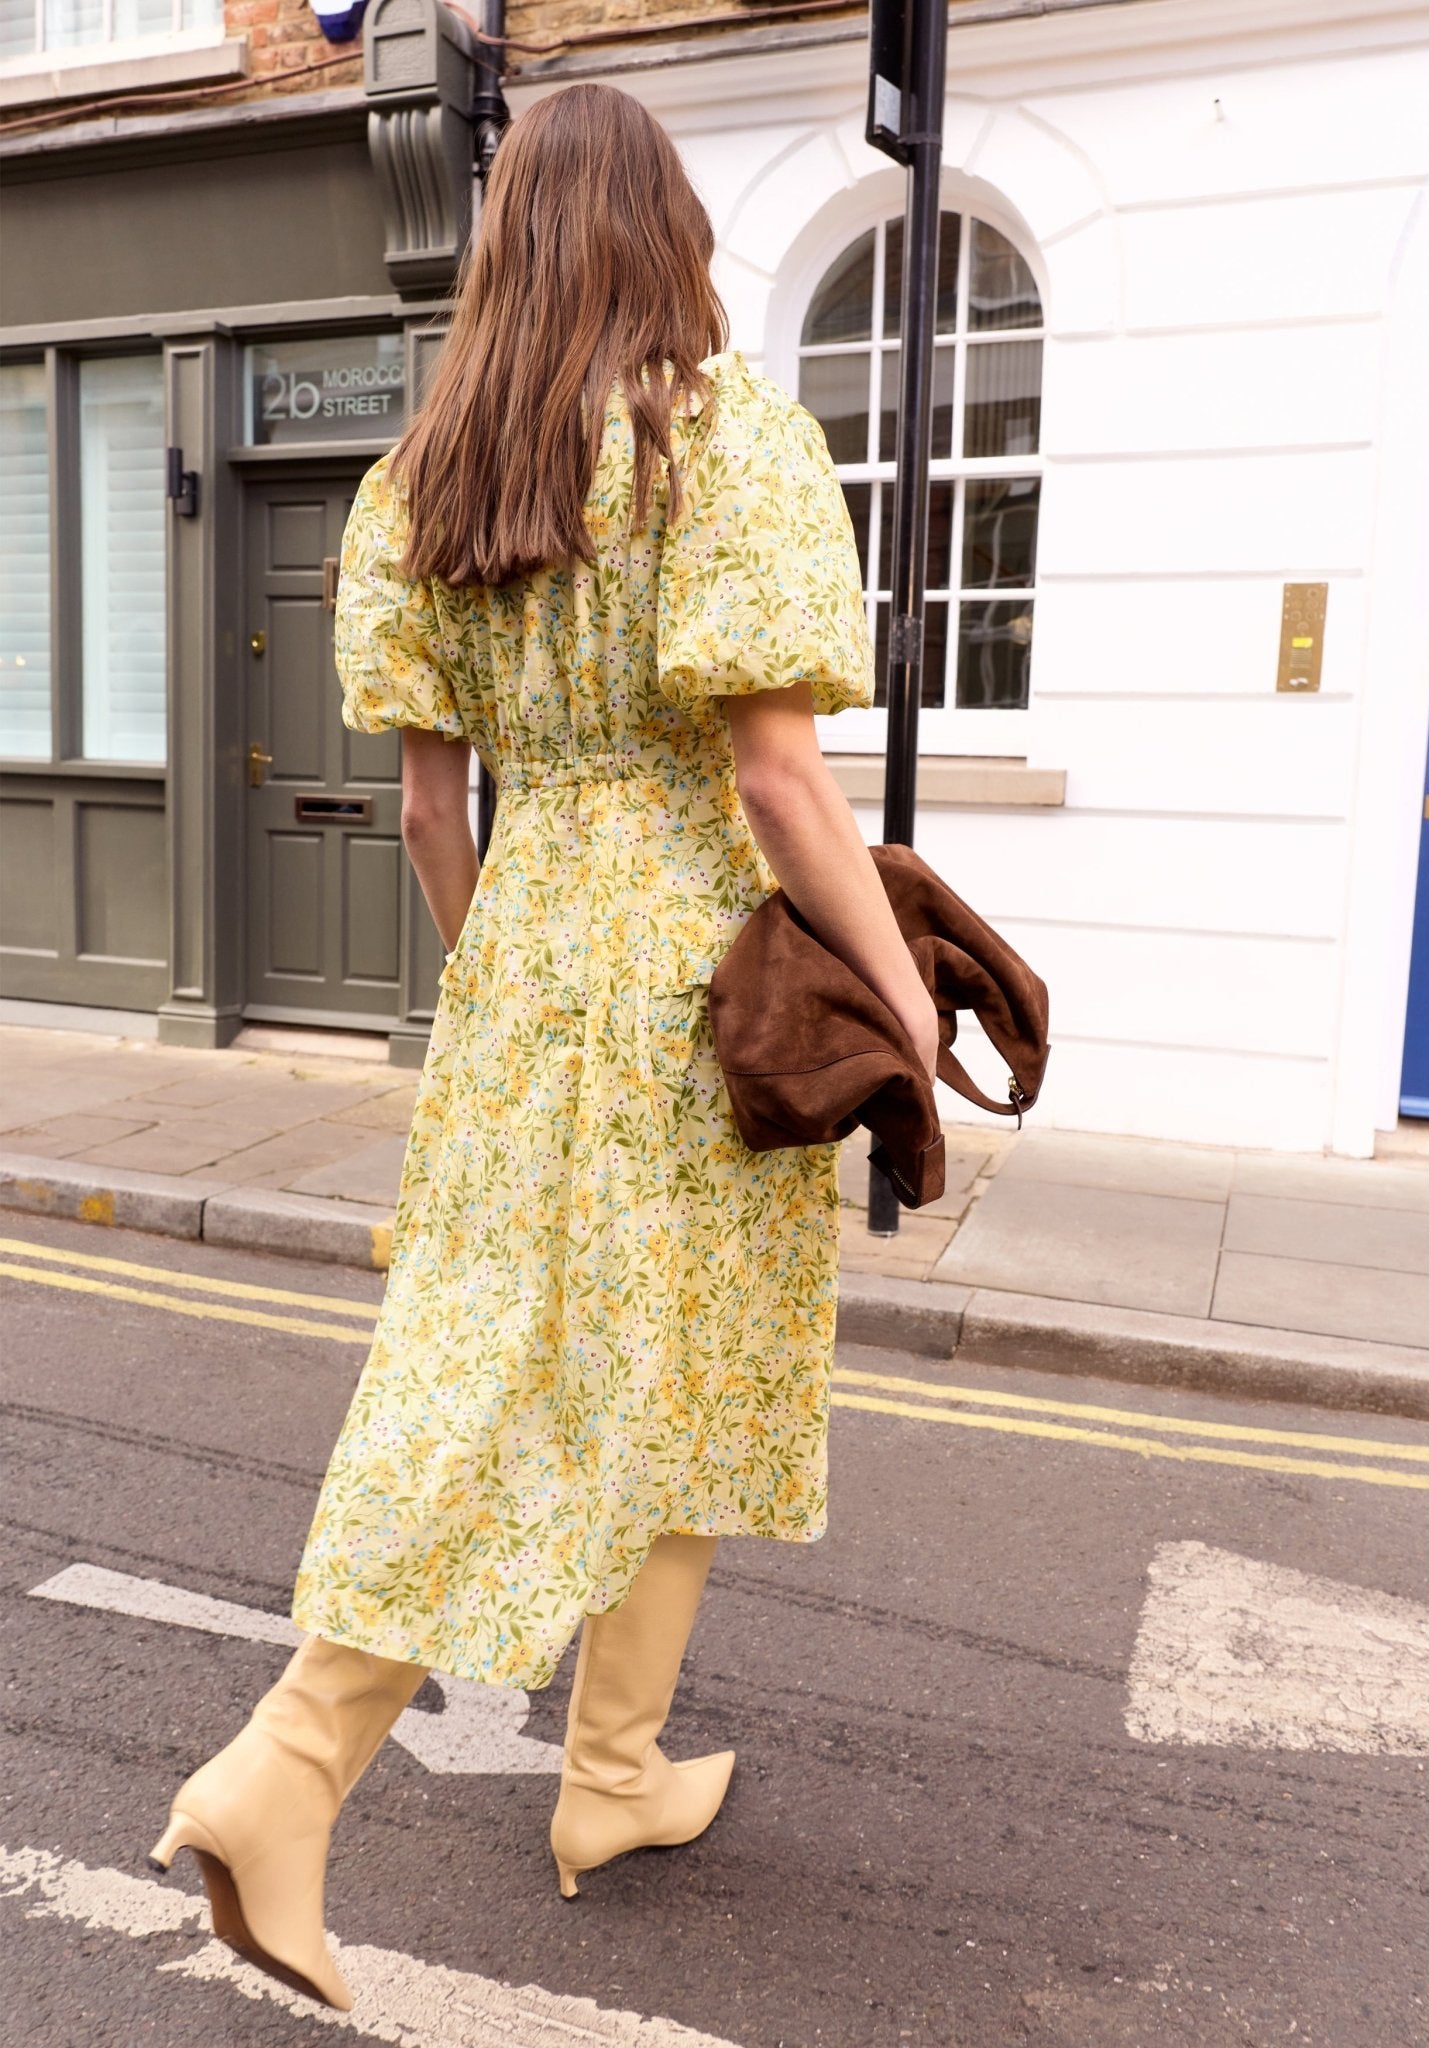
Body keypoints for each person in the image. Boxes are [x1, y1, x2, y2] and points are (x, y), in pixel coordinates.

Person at [147, 81, 939, 2012]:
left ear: (503, 248)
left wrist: (511, 991)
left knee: (506, 1348)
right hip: (692, 982)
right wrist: (906, 1010)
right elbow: (776, 778)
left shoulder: (429, 474)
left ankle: (610, 1779)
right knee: (613, 1369)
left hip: (516, 977)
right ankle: (291, 1769)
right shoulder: (723, 439)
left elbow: (434, 818)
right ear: (667, 237)